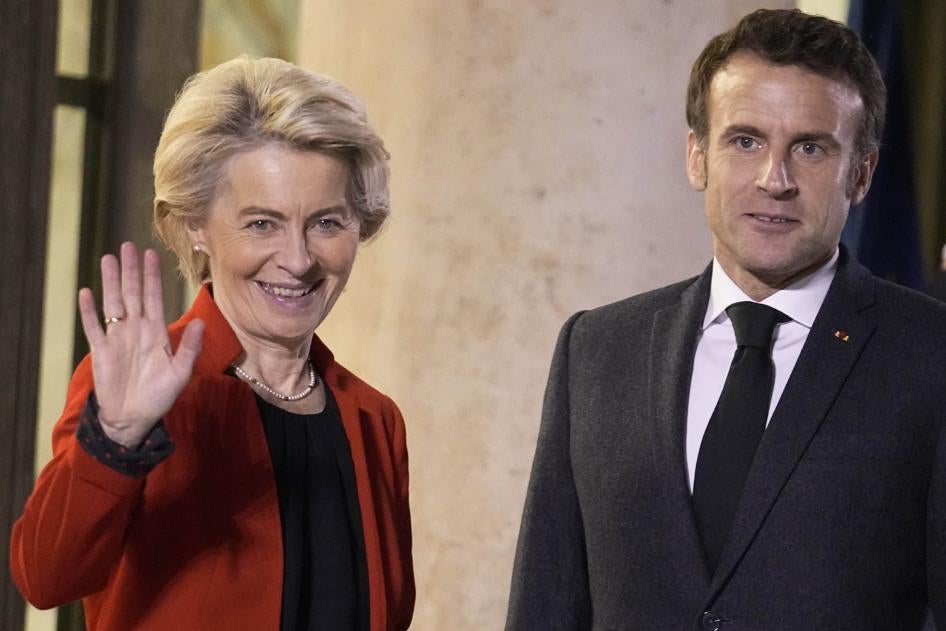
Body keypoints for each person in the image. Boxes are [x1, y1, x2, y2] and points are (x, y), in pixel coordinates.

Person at [506, 9, 946, 631]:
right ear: (697, 157)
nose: (775, 180)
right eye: (745, 141)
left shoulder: (931, 355)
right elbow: (546, 606)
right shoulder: (597, 350)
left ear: (863, 173)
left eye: (811, 148)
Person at [11, 57, 414, 631]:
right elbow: (46, 579)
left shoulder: (375, 420)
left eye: (327, 222)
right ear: (196, 225)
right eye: (261, 224)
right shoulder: (146, 392)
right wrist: (116, 440)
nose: (298, 260)